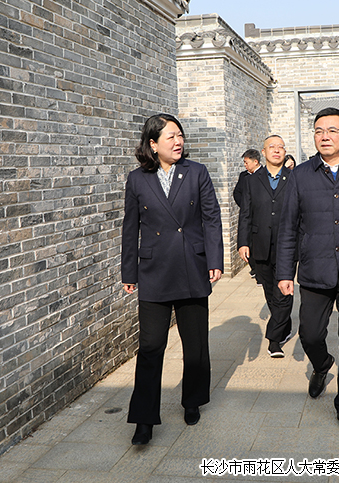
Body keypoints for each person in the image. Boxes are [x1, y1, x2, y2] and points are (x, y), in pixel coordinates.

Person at [121, 113, 224, 445]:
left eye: (180, 135)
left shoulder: (196, 172)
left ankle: (192, 400)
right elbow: (130, 227)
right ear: (153, 144)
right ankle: (144, 419)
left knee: (195, 345)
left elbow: (211, 218)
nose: (178, 141)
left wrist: (215, 259)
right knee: (151, 346)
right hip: (154, 271)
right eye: (170, 136)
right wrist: (129, 272)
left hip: (191, 265)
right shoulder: (137, 179)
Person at [277, 108, 339, 436]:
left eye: (333, 130)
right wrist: (284, 273)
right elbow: (288, 227)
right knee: (309, 333)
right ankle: (321, 365)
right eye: (319, 130)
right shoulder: (300, 175)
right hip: (315, 270)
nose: (325, 136)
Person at [238, 135, 295, 358]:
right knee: (270, 292)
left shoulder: (294, 178)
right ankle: (284, 326)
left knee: (283, 292)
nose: (277, 150)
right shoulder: (251, 181)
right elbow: (245, 213)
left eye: (281, 147)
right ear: (263, 152)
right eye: (272, 147)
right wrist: (243, 242)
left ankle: (274, 339)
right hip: (259, 244)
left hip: (286, 245)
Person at [233, 150, 262, 278]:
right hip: (248, 216)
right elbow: (237, 193)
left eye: (247, 162)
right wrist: (245, 206)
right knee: (248, 242)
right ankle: (254, 268)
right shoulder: (243, 176)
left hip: (261, 217)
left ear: (255, 162)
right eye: (244, 162)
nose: (245, 165)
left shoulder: (264, 175)